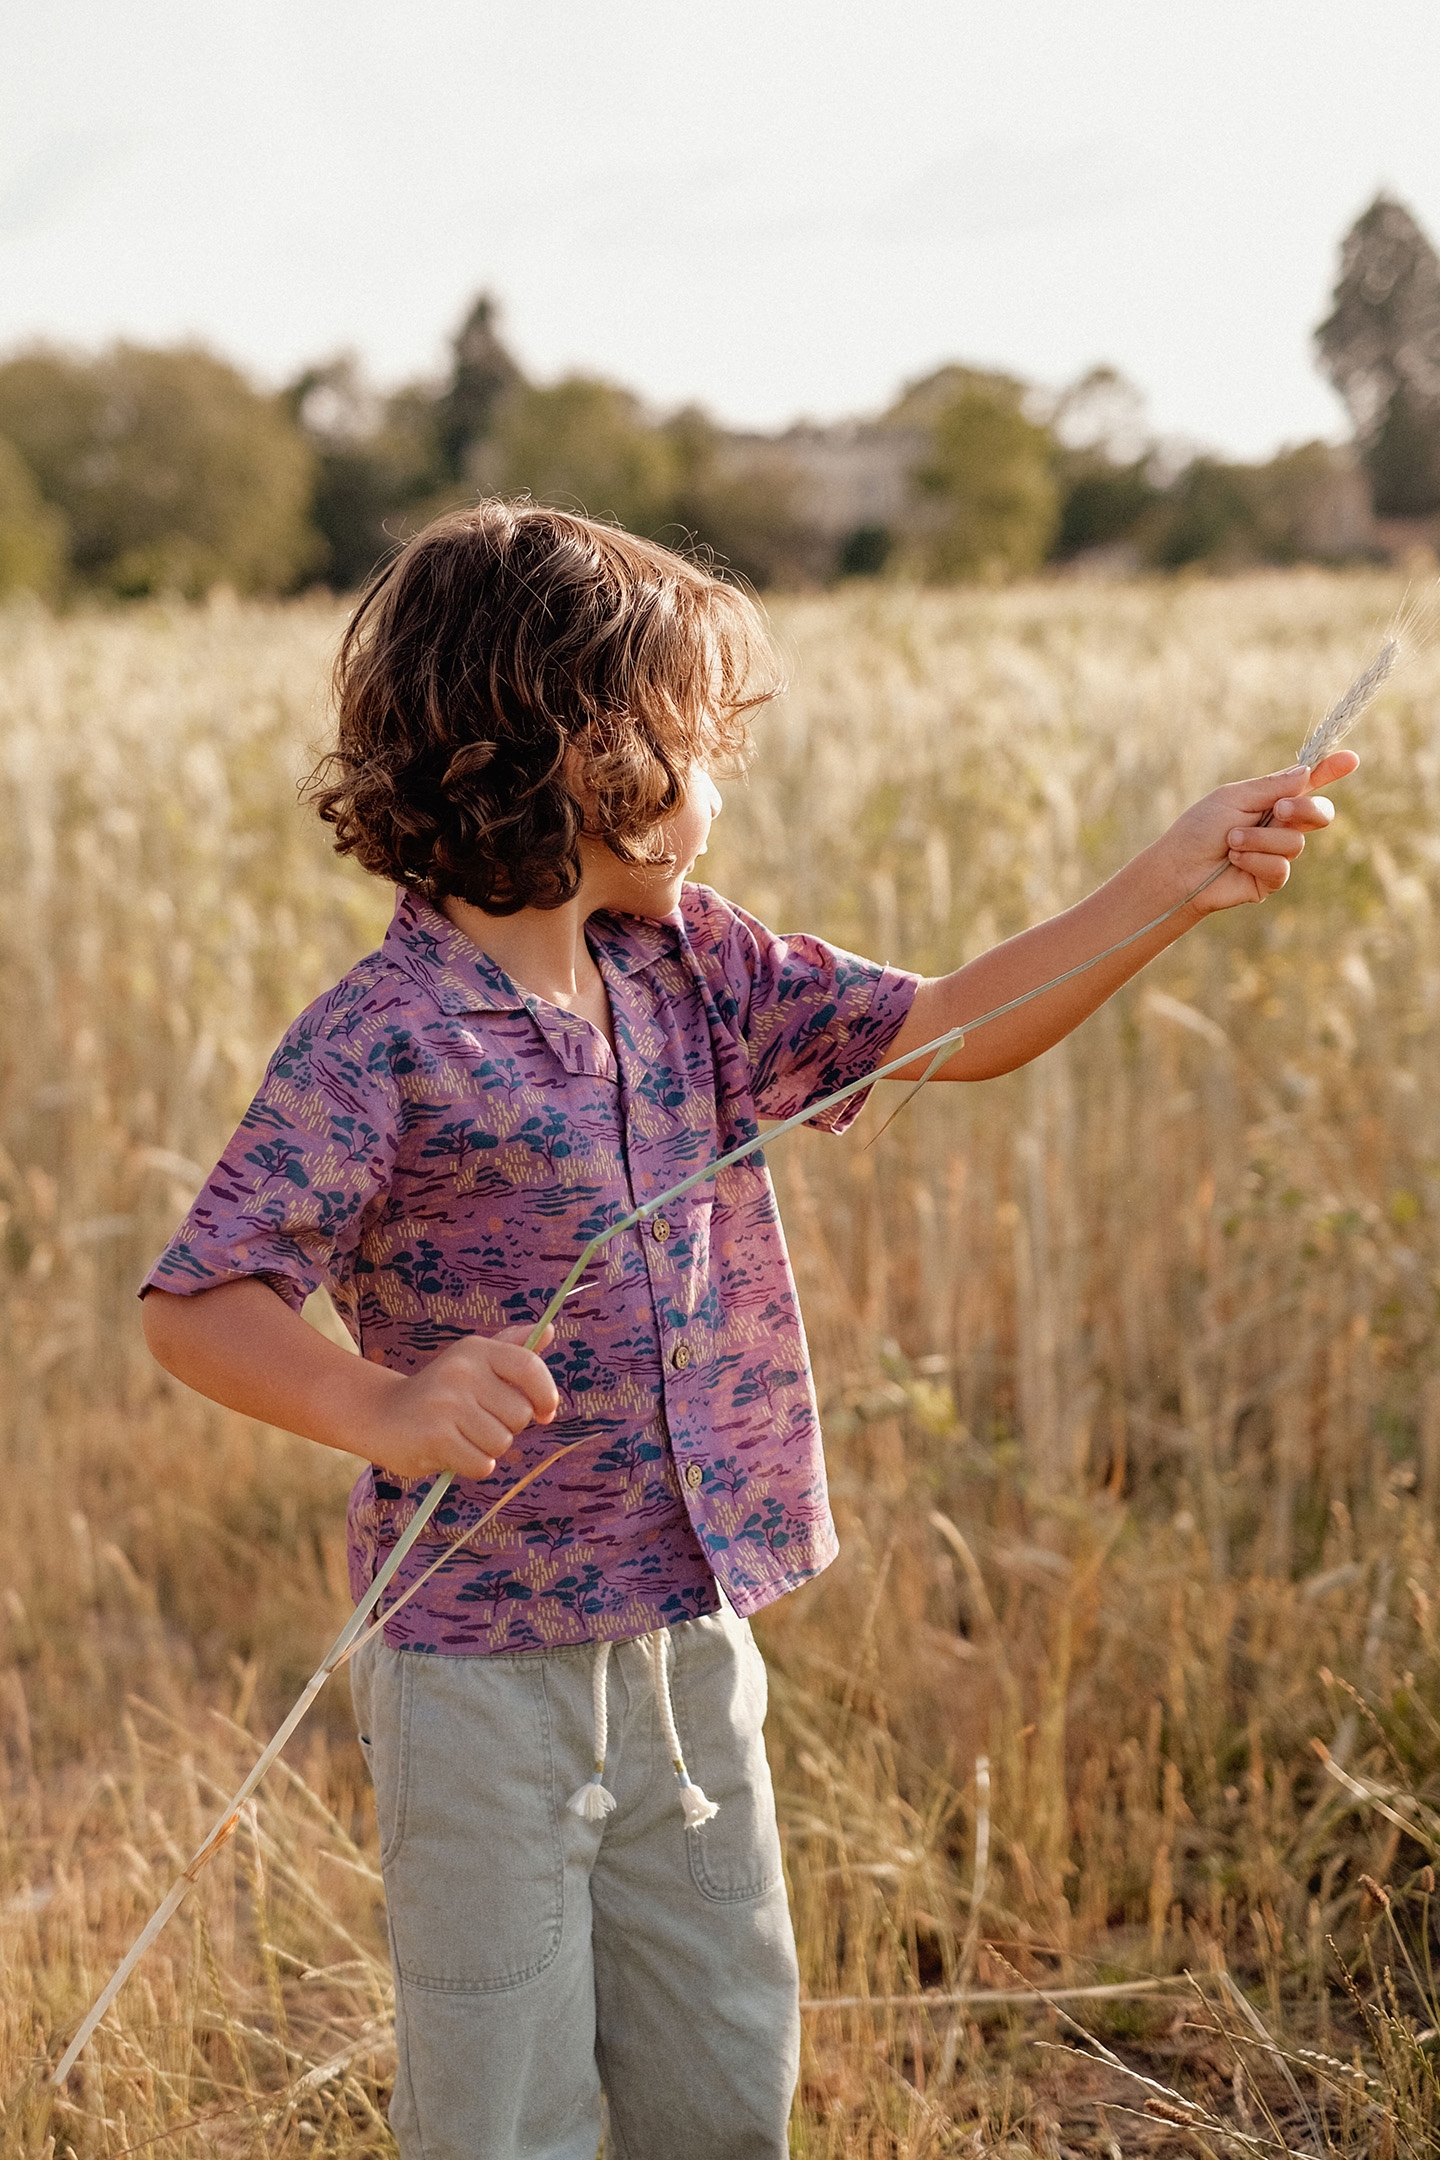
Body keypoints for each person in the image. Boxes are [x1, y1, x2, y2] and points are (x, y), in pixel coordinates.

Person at [140, 502, 1356, 2160]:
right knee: (501, 2097)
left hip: (691, 1640)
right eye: (701, 745)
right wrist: (382, 1401)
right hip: (477, 1669)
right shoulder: (383, 1038)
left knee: (724, 2056)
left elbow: (944, 1032)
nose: (719, 788)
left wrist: (1170, 888)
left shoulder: (691, 968)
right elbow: (201, 1302)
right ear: (592, 756)